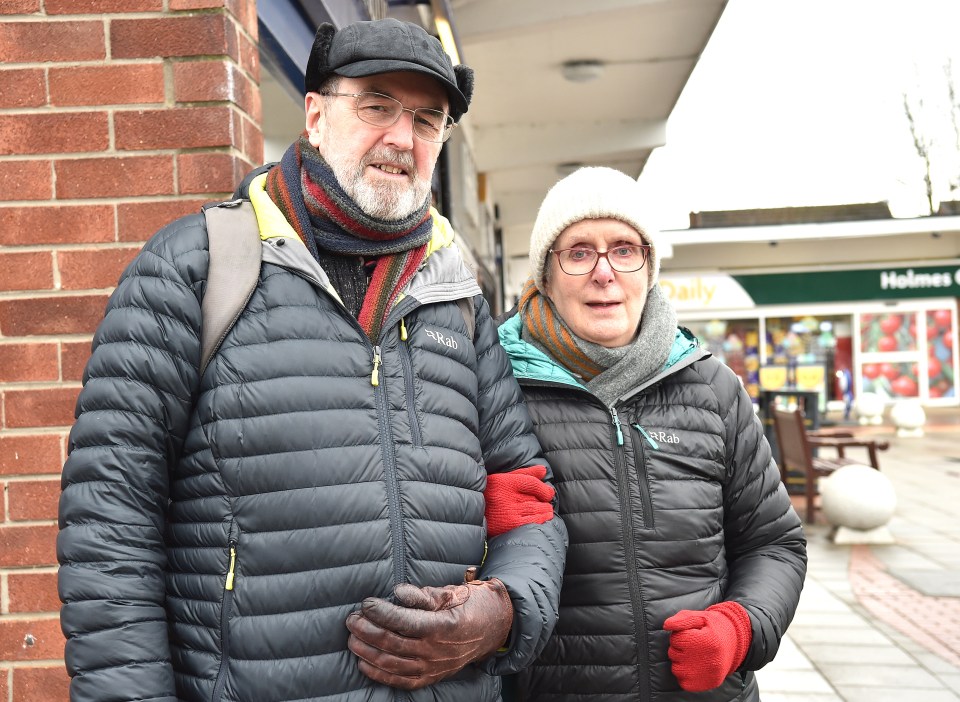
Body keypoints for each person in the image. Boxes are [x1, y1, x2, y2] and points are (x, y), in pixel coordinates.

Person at [57, 18, 566, 702]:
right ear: (316, 114)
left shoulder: (455, 297)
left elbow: (522, 493)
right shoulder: (196, 269)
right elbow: (110, 523)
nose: (400, 138)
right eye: (377, 105)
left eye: (426, 119)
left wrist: (505, 611)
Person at [493, 166, 807, 701]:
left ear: (649, 267)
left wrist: (743, 628)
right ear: (545, 275)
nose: (603, 272)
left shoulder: (712, 388)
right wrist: (479, 531)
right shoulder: (495, 388)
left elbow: (775, 543)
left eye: (623, 249)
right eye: (578, 252)